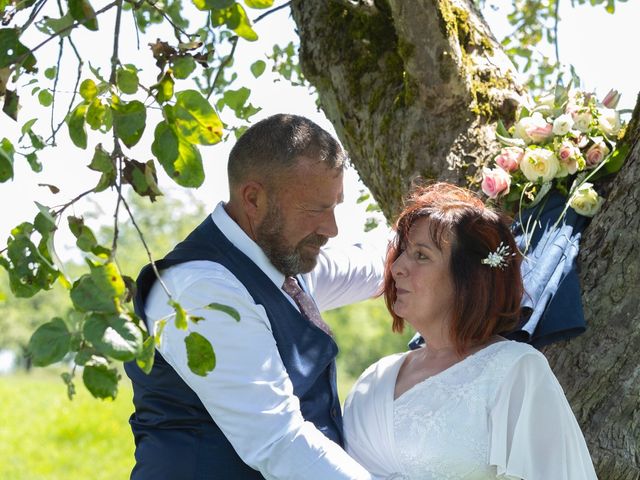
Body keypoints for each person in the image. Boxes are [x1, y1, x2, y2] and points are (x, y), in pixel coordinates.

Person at [124, 114, 384, 479]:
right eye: (316, 209)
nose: (331, 228)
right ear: (253, 199)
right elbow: (279, 441)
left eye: (335, 205)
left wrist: (468, 232)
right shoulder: (201, 292)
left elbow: (378, 265)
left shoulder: (285, 265)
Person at [343, 183, 597, 480]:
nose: (397, 267)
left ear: (469, 280)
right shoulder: (375, 376)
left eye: (421, 256)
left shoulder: (515, 370)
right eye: (402, 252)